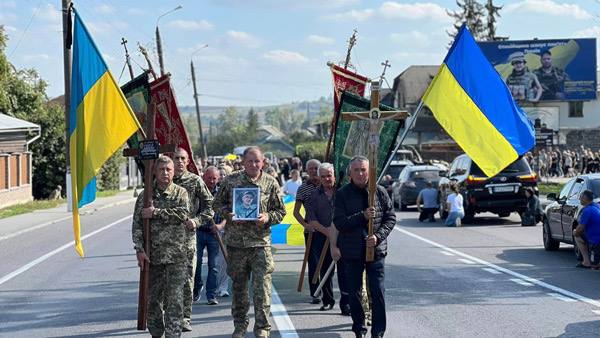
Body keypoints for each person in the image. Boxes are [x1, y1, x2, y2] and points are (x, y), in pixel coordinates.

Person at [213, 146, 286, 338]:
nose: (253, 164)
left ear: (263, 162)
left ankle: (262, 328)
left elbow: (281, 211)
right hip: (236, 245)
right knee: (239, 289)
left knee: (262, 289)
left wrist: (267, 217)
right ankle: (240, 326)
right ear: (243, 162)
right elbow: (216, 204)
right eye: (249, 161)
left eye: (257, 161)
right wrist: (228, 215)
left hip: (260, 244)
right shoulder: (230, 181)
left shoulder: (270, 182)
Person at [333, 156, 396, 338]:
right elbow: (339, 222)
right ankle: (359, 329)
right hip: (352, 252)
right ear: (350, 173)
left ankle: (378, 332)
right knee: (355, 293)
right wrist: (362, 216)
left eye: (364, 170)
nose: (361, 174)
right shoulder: (343, 194)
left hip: (376, 250)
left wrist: (377, 236)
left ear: (369, 171)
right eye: (357, 170)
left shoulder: (380, 192)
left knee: (377, 291)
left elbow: (390, 218)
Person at [131, 155, 190, 338]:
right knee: (153, 301)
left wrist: (156, 212)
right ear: (154, 172)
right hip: (153, 257)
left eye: (168, 170)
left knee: (175, 301)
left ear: (173, 172)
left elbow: (183, 214)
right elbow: (137, 224)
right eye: (161, 169)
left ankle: (173, 335)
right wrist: (139, 250)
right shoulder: (145, 195)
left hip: (176, 257)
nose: (165, 173)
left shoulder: (181, 193)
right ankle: (156, 333)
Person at [171, 148, 215, 330]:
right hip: (164, 240)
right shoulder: (163, 178)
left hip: (188, 238)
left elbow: (210, 206)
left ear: (188, 161)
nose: (179, 161)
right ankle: (170, 314)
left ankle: (185, 318)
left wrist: (196, 221)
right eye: (176, 158)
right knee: (167, 280)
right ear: (170, 160)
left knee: (188, 278)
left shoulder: (195, 181)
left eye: (182, 158)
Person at [305, 163, 339, 311]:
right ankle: (328, 300)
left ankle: (347, 303)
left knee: (346, 270)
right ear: (319, 177)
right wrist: (328, 232)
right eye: (323, 176)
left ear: (334, 176)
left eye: (329, 175)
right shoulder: (312, 196)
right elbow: (312, 220)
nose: (326, 179)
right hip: (322, 236)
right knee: (326, 270)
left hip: (344, 236)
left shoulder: (342, 192)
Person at [192, 166, 225, 305]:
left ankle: (211, 294)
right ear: (203, 177)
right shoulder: (197, 192)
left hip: (214, 234)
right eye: (209, 178)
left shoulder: (222, 194)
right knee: (197, 263)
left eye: (214, 178)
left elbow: (229, 213)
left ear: (218, 179)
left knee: (214, 266)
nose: (211, 181)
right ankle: (197, 287)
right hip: (199, 232)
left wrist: (220, 226)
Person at [294, 158, 322, 304]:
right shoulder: (303, 188)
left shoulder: (327, 184)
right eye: (310, 168)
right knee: (313, 262)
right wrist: (306, 225)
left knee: (328, 261)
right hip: (311, 231)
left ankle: (327, 292)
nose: (313, 171)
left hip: (328, 229)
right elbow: (296, 212)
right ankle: (315, 293)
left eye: (315, 168)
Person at [573, 190, 600, 269]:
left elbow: (580, 228)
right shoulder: (597, 206)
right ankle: (588, 261)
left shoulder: (587, 210)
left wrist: (575, 232)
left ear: (585, 199)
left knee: (594, 266)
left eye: (580, 197)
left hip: (596, 242)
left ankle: (587, 262)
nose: (579, 199)